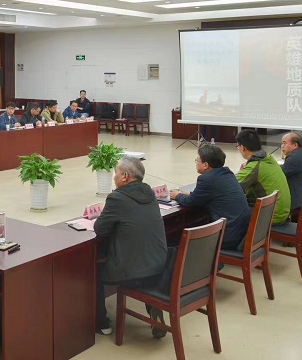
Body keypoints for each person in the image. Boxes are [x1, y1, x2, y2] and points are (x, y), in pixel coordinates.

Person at [94, 157, 167, 337]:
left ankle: (102, 323)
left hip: (132, 269)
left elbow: (100, 229)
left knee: (92, 270)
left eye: (116, 172)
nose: (114, 177)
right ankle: (154, 312)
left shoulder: (117, 198)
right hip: (159, 263)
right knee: (141, 257)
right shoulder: (150, 194)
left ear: (125, 176)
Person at [170, 144, 251, 250]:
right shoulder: (227, 174)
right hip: (241, 232)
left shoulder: (206, 179)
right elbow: (211, 194)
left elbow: (190, 202)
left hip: (228, 236)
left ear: (206, 165)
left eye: (197, 160)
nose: (196, 162)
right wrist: (190, 194)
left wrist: (177, 195)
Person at [234, 129, 291, 224]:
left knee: (228, 210)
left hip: (270, 216)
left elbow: (231, 186)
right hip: (281, 212)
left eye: (238, 146)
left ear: (242, 147)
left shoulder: (255, 166)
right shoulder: (268, 158)